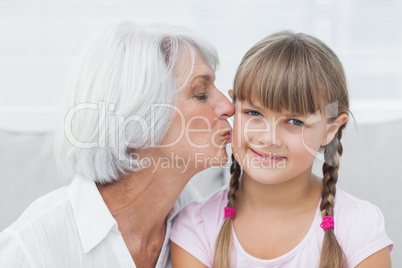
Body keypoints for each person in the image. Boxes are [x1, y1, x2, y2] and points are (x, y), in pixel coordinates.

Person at [0, 21, 234, 267]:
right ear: (139, 117)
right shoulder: (31, 249)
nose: (229, 107)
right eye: (200, 94)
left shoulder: (199, 221)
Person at [170, 31, 394, 267]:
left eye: (295, 122)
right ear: (233, 107)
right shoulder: (196, 226)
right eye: (254, 113)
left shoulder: (358, 224)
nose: (269, 138)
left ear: (330, 130)